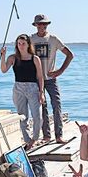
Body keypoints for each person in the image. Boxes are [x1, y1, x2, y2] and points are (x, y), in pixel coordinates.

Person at [31, 14, 74, 144]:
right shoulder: (30, 39)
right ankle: (46, 136)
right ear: (36, 25)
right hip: (36, 79)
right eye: (39, 24)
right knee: (41, 107)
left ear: (47, 25)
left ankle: (59, 135)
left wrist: (60, 71)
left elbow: (70, 55)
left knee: (56, 105)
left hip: (50, 78)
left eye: (44, 24)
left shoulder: (53, 39)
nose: (42, 26)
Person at [0, 34, 45, 150]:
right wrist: (3, 56)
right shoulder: (13, 58)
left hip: (33, 88)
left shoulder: (35, 58)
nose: (21, 46)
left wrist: (41, 92)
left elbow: (40, 76)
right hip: (18, 88)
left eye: (23, 43)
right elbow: (4, 70)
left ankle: (34, 138)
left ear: (28, 44)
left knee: (37, 117)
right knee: (22, 116)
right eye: (19, 43)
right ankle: (27, 140)